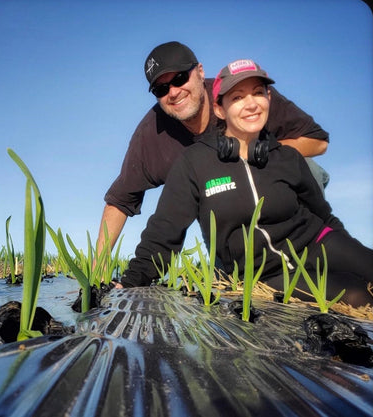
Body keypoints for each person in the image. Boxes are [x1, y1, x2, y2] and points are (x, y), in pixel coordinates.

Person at [117, 59, 373, 307]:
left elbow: (324, 217)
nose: (251, 104)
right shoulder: (194, 163)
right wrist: (129, 283)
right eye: (237, 97)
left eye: (258, 93)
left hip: (318, 243)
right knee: (357, 296)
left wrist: (351, 253)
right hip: (266, 274)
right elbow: (163, 234)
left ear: (268, 99)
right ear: (220, 109)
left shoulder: (288, 157)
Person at [97, 41, 329, 258]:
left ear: (199, 71)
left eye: (179, 78)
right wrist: (98, 271)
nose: (173, 92)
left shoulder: (243, 95)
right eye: (161, 89)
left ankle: (320, 254)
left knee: (309, 168)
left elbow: (317, 142)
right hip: (227, 226)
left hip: (280, 199)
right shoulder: (151, 134)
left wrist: (259, 150)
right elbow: (119, 201)